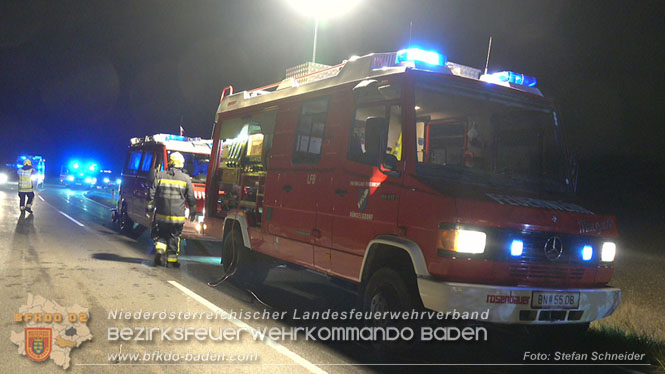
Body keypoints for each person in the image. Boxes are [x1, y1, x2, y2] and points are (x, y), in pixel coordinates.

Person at [147, 152, 197, 267]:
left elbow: (151, 193)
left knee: (161, 235)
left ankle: (160, 250)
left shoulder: (160, 175)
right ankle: (172, 262)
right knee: (174, 237)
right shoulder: (186, 179)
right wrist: (193, 211)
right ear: (181, 164)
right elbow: (191, 197)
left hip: (161, 215)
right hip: (177, 216)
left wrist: (149, 208)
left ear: (170, 162)